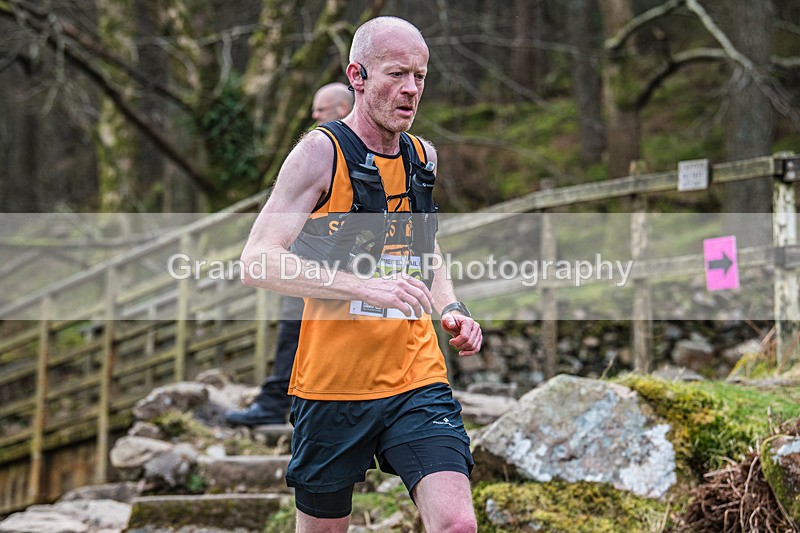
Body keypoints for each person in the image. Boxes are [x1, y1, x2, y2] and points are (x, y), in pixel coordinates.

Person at [239, 16, 482, 533]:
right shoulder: (319, 153)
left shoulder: (422, 158)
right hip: (332, 389)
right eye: (397, 74)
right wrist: (365, 285)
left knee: (457, 524)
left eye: (420, 76)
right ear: (358, 75)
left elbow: (427, 247)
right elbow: (257, 259)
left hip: (415, 379)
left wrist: (451, 309)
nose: (411, 89)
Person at [225, 83, 354, 427]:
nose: (313, 115)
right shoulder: (315, 151)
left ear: (342, 109)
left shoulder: (344, 154)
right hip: (302, 260)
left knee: (303, 334)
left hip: (337, 267)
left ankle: (278, 405)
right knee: (291, 334)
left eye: (321, 109)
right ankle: (275, 403)